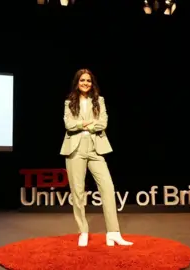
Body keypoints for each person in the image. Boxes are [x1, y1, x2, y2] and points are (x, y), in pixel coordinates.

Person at [60, 69, 133, 247]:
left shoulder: (99, 101)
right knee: (77, 192)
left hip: (95, 148)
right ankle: (83, 231)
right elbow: (69, 125)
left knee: (108, 187)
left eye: (89, 81)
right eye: (82, 80)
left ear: (92, 83)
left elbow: (103, 123)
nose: (86, 83)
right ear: (77, 82)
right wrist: (86, 123)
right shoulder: (70, 102)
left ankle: (113, 233)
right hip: (75, 149)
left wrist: (88, 126)